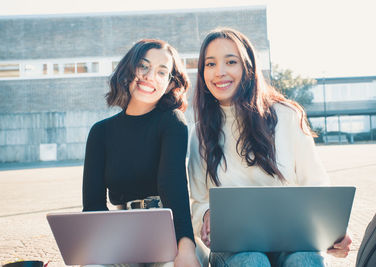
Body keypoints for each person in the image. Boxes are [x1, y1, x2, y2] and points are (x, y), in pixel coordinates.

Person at [188, 28, 352, 267]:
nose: (219, 72)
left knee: (304, 259)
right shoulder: (199, 134)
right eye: (210, 64)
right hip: (235, 251)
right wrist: (206, 215)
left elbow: (315, 184)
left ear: (248, 67)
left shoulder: (287, 116)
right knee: (252, 260)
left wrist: (332, 230)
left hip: (294, 241)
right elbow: (198, 201)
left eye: (231, 62)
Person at [82, 39, 200, 267]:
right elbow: (93, 206)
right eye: (143, 66)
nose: (149, 76)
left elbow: (174, 187)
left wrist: (185, 248)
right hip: (119, 232)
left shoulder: (172, 122)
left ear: (168, 83)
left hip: (166, 233)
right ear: (129, 70)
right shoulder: (100, 132)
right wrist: (92, 254)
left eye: (161, 71)